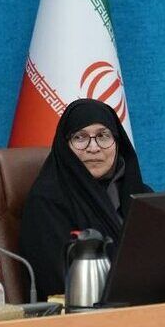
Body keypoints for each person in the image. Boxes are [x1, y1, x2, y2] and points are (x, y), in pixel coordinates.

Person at [19, 99, 151, 298]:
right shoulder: (46, 203)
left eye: (103, 136)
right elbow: (60, 283)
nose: (94, 148)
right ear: (65, 146)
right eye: (80, 137)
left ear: (118, 142)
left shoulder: (141, 196)